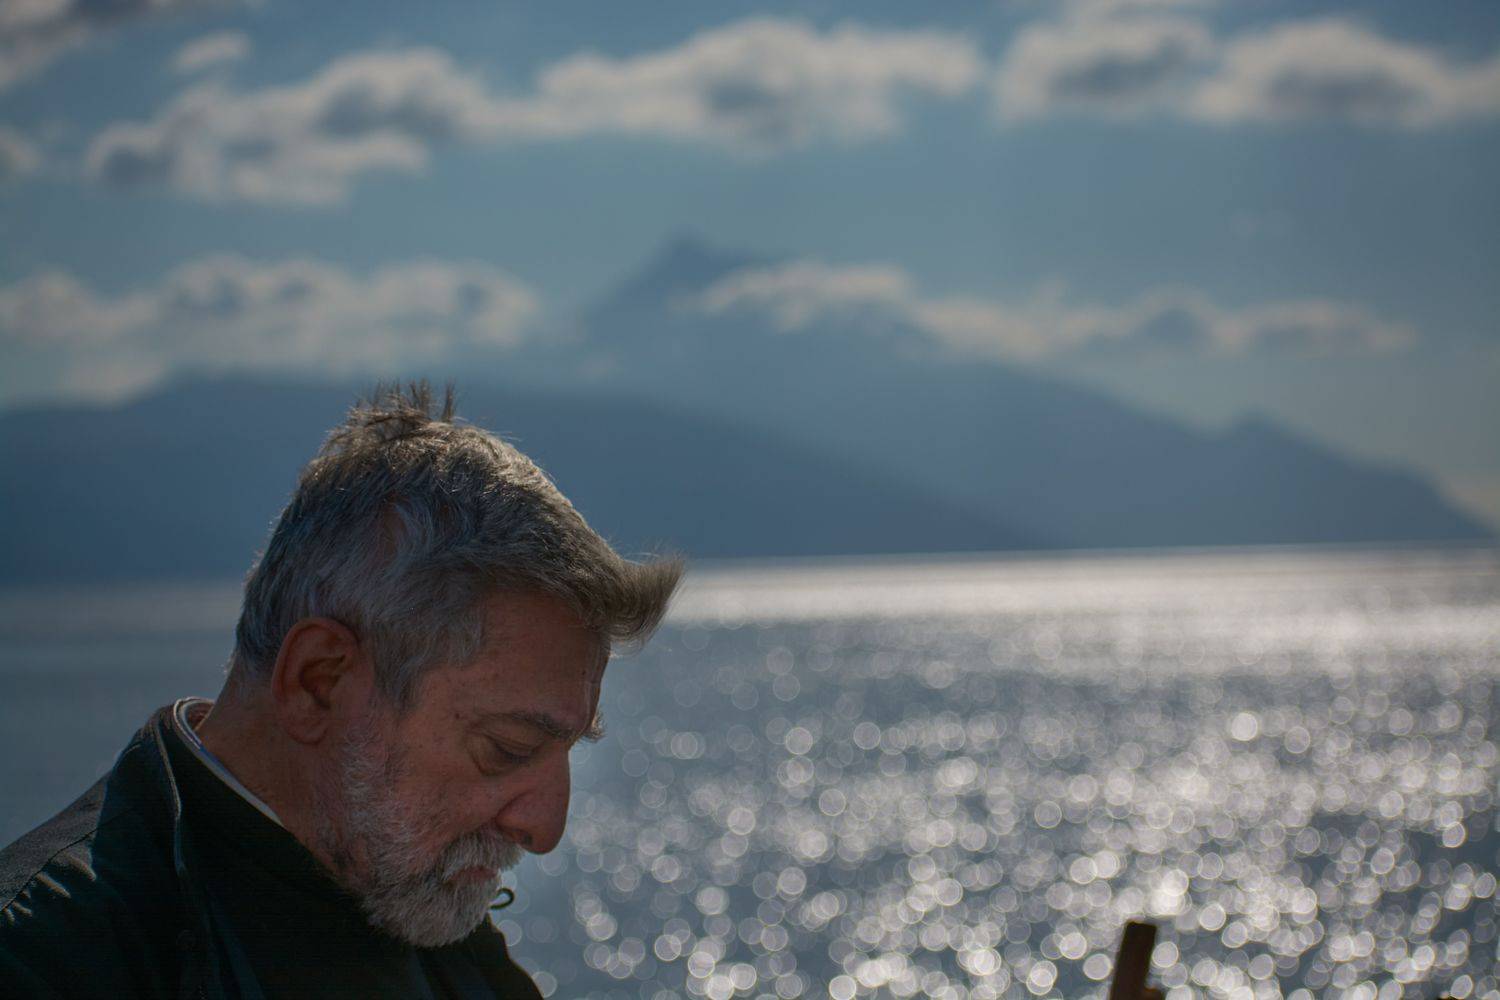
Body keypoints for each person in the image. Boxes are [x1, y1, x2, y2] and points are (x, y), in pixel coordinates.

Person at [0, 383, 683, 998]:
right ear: (317, 682)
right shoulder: (42, 958)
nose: (545, 830)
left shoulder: (412, 903)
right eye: (507, 748)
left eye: (567, 750)